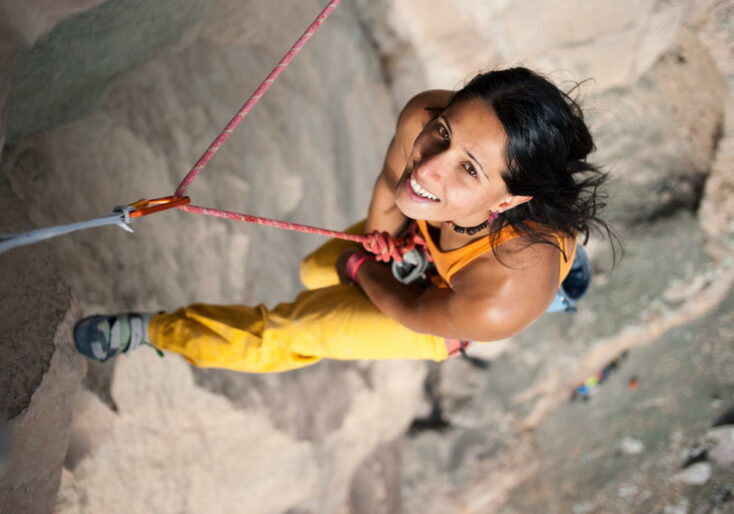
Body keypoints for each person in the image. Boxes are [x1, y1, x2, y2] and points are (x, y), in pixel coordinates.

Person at [74, 67, 615, 372]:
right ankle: (351, 276)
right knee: (315, 272)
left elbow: (413, 308)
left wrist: (364, 268)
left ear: (505, 202)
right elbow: (392, 186)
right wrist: (383, 240)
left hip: (437, 307)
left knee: (293, 327)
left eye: (468, 169)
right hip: (416, 243)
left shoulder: (503, 297)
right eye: (444, 134)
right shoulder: (424, 115)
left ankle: (151, 332)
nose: (427, 166)